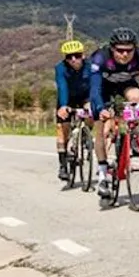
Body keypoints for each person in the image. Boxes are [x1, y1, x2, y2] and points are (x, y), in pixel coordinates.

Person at [87, 29, 139, 198]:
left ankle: (133, 135)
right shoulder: (100, 57)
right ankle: (102, 174)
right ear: (112, 49)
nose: (124, 54)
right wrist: (100, 108)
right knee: (101, 130)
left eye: (129, 50)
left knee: (136, 97)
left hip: (126, 84)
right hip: (102, 88)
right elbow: (94, 89)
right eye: (120, 50)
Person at [53, 39, 92, 179]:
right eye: (69, 57)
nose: (73, 59)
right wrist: (63, 106)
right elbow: (62, 86)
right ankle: (63, 165)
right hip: (67, 98)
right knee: (63, 128)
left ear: (83, 55)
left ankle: (87, 137)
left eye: (77, 55)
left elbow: (95, 85)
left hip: (85, 96)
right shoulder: (60, 68)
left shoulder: (90, 66)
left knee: (91, 111)